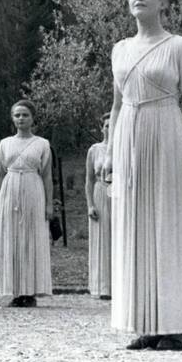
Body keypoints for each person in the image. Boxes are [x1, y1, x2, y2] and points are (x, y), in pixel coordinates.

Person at [106, 0, 182, 351]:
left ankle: (174, 325)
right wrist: (113, 154)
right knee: (136, 225)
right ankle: (145, 322)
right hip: (130, 132)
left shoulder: (179, 46)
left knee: (167, 223)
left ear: (163, 2)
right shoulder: (119, 50)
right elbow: (116, 106)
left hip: (167, 130)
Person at [0, 99, 53, 307]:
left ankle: (31, 292)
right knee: (12, 238)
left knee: (31, 239)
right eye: (17, 115)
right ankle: (15, 291)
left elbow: (46, 176)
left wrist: (48, 204)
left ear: (32, 118)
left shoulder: (42, 144)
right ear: (12, 118)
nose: (21, 119)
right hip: (10, 190)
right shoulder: (5, 143)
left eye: (25, 115)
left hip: (33, 189)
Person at [84, 114, 112, 300]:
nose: (111, 128)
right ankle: (103, 287)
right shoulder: (95, 150)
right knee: (102, 239)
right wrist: (90, 205)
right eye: (107, 125)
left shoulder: (127, 148)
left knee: (120, 238)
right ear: (102, 128)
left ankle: (122, 287)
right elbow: (88, 180)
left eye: (115, 124)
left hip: (120, 194)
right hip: (100, 192)